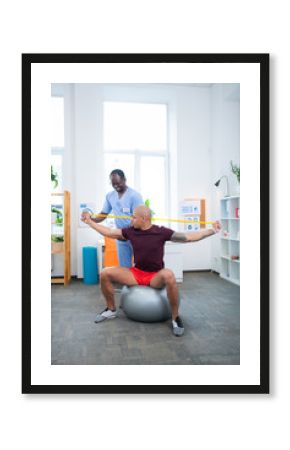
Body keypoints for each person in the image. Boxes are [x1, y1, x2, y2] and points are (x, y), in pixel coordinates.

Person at [82, 205, 221, 337]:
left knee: (169, 275)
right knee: (105, 273)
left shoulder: (161, 232)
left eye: (134, 217)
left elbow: (189, 237)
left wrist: (213, 230)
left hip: (155, 276)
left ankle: (175, 318)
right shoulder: (131, 231)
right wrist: (90, 222)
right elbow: (110, 232)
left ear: (144, 218)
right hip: (136, 273)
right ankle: (111, 309)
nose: (132, 220)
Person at [91, 169, 143, 268]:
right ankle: (127, 284)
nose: (116, 186)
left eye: (118, 183)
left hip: (136, 235)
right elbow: (103, 214)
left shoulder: (135, 196)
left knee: (140, 265)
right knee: (124, 266)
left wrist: (128, 232)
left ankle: (139, 283)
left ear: (124, 179)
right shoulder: (110, 196)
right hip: (121, 237)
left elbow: (140, 217)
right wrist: (91, 219)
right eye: (113, 184)